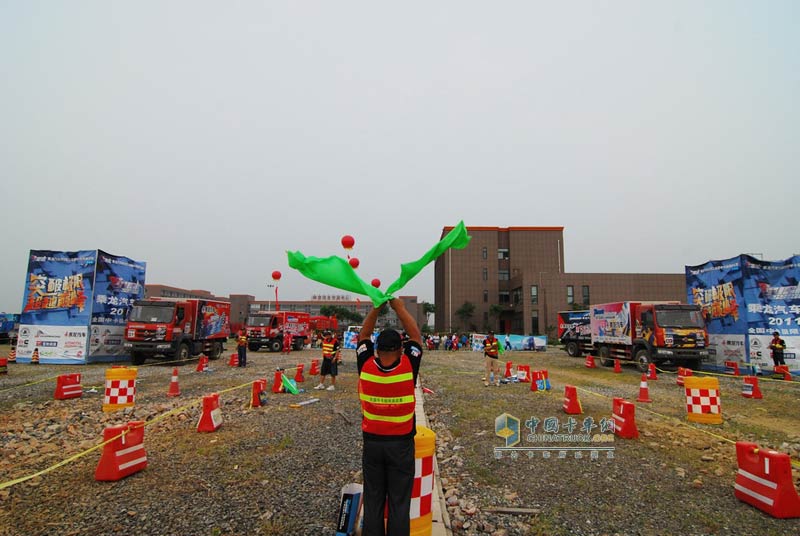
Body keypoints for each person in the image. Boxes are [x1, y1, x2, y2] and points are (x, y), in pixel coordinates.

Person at [357, 299, 422, 536]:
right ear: (400, 349)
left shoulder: (365, 364)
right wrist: (400, 308)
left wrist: (376, 307)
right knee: (399, 503)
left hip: (372, 444)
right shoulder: (408, 365)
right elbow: (416, 336)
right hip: (401, 445)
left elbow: (363, 334)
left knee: (373, 500)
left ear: (376, 349)